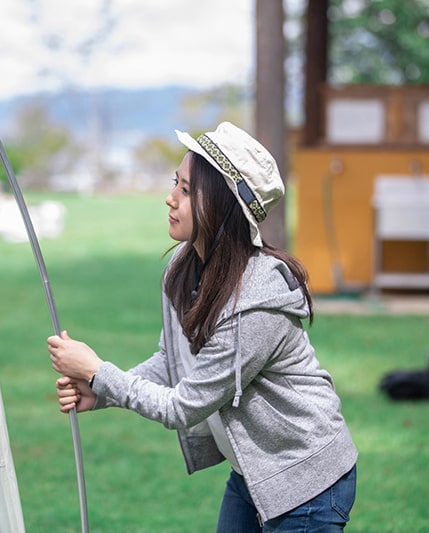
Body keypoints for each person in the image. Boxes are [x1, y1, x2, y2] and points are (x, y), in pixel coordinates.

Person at [47, 122, 358, 532]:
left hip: (308, 479)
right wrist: (99, 390)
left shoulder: (255, 304)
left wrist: (98, 371)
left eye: (186, 190)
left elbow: (183, 406)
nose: (169, 198)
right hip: (254, 474)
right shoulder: (184, 269)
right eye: (175, 183)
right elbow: (170, 361)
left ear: (220, 204)